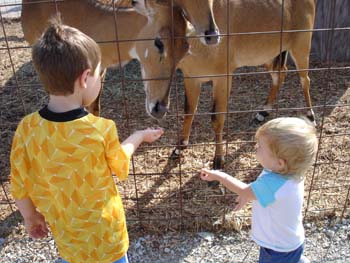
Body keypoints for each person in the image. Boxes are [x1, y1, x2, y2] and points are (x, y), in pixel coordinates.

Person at [10, 18, 164, 263]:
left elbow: (18, 182)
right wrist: (139, 137)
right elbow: (120, 164)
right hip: (107, 240)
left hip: (68, 239)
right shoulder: (100, 129)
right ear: (85, 79)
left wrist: (30, 216)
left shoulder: (27, 129)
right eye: (99, 74)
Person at [200, 117, 318, 263]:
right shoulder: (289, 174)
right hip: (287, 242)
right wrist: (249, 195)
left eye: (260, 146)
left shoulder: (274, 184)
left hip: (277, 249)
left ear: (280, 163)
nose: (256, 147)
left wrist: (219, 175)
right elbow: (258, 188)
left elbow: (245, 190)